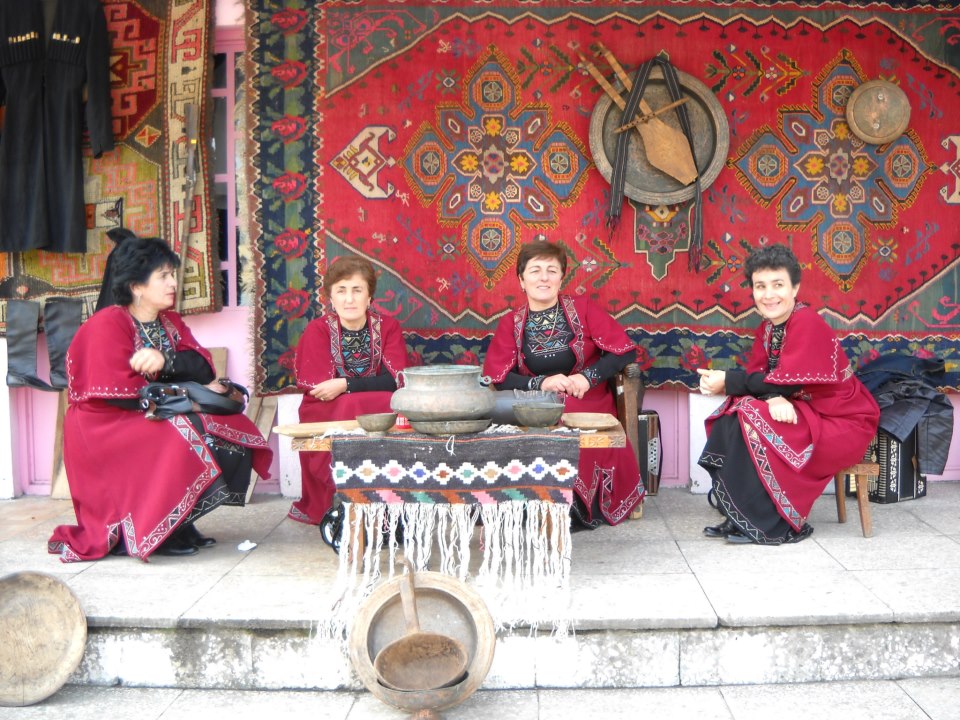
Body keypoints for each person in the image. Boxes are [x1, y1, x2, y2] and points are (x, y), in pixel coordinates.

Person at [48, 233, 273, 561]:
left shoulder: (171, 322)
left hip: (146, 412)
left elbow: (202, 366)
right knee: (184, 432)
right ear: (136, 286)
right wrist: (176, 391)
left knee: (228, 427)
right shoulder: (107, 324)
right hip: (104, 424)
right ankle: (154, 529)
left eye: (172, 274)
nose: (173, 283)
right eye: (163, 276)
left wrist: (164, 361)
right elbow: (118, 394)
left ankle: (178, 522)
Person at [697, 243, 880, 544]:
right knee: (737, 410)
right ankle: (739, 515)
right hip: (809, 413)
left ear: (795, 288)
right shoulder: (768, 329)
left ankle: (774, 523)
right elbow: (764, 379)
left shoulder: (807, 322)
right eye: (760, 286)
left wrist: (728, 380)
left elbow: (782, 382)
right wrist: (773, 397)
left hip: (843, 423)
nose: (768, 294)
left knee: (747, 410)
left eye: (778, 285)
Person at [482, 240, 645, 528]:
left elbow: (624, 352)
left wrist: (587, 377)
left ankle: (573, 509)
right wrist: (541, 383)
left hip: (586, 400)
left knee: (569, 418)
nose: (543, 278)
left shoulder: (583, 309)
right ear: (521, 280)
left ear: (561, 278)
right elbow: (499, 376)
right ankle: (526, 504)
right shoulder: (511, 323)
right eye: (535, 271)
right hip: (535, 405)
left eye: (552, 270)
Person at [289, 256, 408, 526]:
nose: (349, 299)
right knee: (350, 405)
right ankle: (343, 497)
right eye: (341, 291)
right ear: (331, 298)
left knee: (389, 404)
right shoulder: (318, 330)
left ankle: (386, 501)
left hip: (374, 406)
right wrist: (360, 389)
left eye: (357, 290)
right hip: (326, 410)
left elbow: (396, 380)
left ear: (369, 297)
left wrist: (346, 385)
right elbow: (321, 391)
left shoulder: (388, 327)